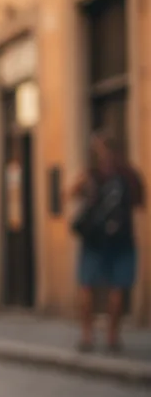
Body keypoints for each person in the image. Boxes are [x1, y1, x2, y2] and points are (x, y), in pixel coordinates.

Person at [70, 131, 145, 352]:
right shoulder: (130, 175)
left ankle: (87, 336)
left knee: (86, 286)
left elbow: (71, 194)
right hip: (121, 240)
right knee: (117, 288)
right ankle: (112, 337)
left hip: (93, 240)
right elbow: (140, 204)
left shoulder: (90, 174)